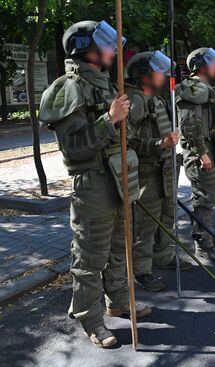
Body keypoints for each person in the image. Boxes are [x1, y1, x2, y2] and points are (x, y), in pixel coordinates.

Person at [38, 20, 151, 348]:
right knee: (90, 258)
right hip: (93, 184)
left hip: (119, 179)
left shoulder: (108, 85)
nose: (114, 50)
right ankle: (91, 319)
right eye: (107, 43)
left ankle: (118, 300)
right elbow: (74, 147)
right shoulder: (68, 88)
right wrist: (109, 119)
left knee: (120, 247)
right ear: (85, 47)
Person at [125, 51, 192, 292]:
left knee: (167, 215)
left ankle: (163, 256)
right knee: (146, 224)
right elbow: (124, 142)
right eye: (157, 72)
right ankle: (141, 271)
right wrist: (158, 144)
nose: (163, 76)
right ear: (143, 75)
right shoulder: (133, 101)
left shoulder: (156, 98)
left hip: (165, 169)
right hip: (146, 173)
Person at [176, 47, 215, 261]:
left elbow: (213, 123)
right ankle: (203, 246)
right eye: (212, 62)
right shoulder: (193, 89)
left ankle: (206, 238)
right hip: (200, 153)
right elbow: (190, 125)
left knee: (208, 198)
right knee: (204, 199)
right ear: (202, 66)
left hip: (209, 150)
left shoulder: (204, 88)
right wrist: (202, 153)